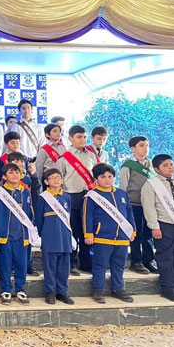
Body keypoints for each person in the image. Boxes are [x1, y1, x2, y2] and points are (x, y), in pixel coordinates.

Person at [84, 163, 136, 304]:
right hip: (102, 237)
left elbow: (129, 214)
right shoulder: (92, 196)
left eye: (110, 176)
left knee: (119, 265)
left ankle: (118, 289)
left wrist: (132, 231)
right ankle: (98, 290)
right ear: (96, 179)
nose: (107, 179)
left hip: (122, 237)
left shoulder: (122, 194)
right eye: (103, 177)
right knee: (100, 265)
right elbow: (87, 216)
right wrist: (88, 234)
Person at [0, 163, 34, 305]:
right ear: (4, 176)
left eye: (17, 172)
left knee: (21, 263)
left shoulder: (26, 192)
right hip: (6, 234)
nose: (15, 175)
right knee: (5, 263)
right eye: (11, 172)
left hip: (22, 235)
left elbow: (29, 213)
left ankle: (20, 289)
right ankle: (6, 290)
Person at [58, 125, 97, 275]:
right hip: (71, 196)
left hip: (88, 196)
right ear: (70, 139)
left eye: (84, 137)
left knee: (87, 230)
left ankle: (86, 262)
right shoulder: (64, 157)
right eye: (79, 137)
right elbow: (59, 179)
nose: (82, 140)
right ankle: (72, 263)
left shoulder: (91, 156)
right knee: (73, 231)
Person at [35, 169, 75, 305]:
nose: (56, 180)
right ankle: (50, 292)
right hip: (50, 236)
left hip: (64, 236)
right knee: (50, 266)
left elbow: (69, 217)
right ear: (46, 182)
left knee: (64, 267)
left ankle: (62, 292)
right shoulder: (43, 197)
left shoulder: (67, 197)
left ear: (62, 180)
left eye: (58, 177)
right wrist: (44, 234)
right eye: (52, 178)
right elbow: (39, 219)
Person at [119, 136, 157, 274]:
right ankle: (136, 262)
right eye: (142, 145)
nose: (145, 148)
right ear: (133, 148)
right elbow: (123, 187)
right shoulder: (128, 165)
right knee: (136, 234)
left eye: (147, 145)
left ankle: (148, 260)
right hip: (133, 204)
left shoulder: (151, 164)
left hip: (149, 205)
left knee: (148, 233)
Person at [141, 154, 174, 301]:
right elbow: (149, 207)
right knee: (166, 257)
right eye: (165, 165)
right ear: (156, 169)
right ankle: (168, 288)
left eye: (171, 164)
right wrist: (154, 226)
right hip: (163, 225)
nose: (170, 167)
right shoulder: (151, 184)